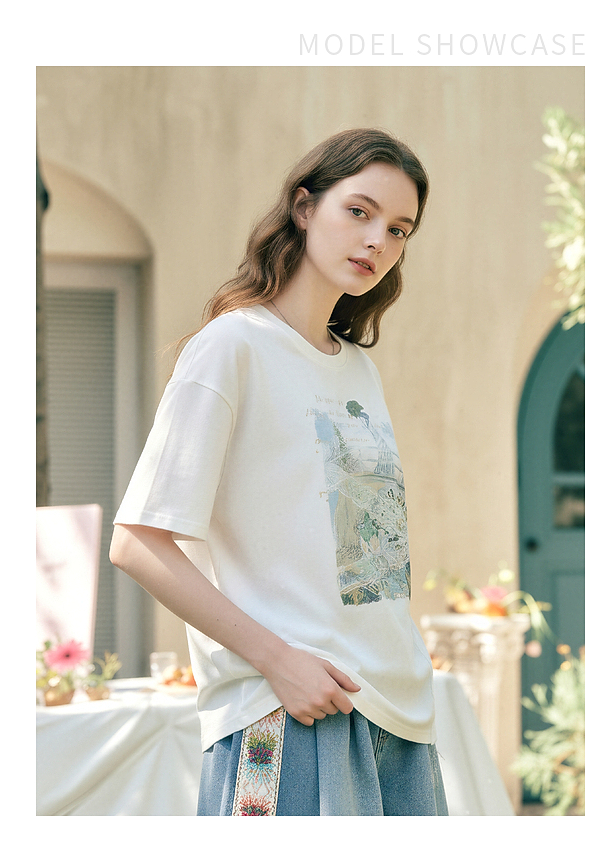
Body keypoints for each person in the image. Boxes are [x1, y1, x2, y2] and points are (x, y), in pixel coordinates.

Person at [109, 128, 448, 816]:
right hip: (287, 711)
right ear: (303, 206)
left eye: (398, 229)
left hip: (395, 714)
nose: (377, 240)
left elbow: (361, 553)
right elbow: (137, 543)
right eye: (359, 211)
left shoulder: (358, 369)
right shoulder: (232, 348)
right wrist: (278, 660)